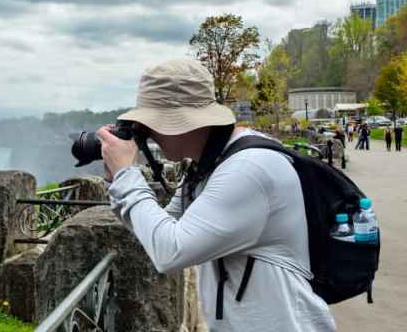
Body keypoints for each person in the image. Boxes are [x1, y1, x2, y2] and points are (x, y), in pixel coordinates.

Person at [100, 60, 335, 331]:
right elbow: (155, 231)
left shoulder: (248, 169)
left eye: (149, 124)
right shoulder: (210, 164)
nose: (147, 133)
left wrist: (128, 176)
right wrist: (117, 180)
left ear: (182, 122)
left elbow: (170, 252)